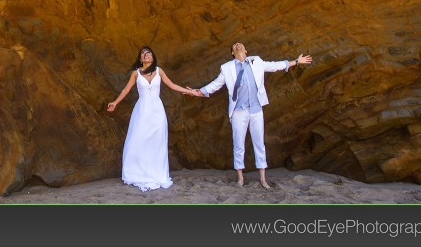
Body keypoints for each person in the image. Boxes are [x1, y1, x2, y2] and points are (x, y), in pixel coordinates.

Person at [189, 42, 312, 188]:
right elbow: (215, 85)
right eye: (234, 46)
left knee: (259, 143)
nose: (237, 45)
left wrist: (297, 61)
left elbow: (274, 66)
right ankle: (240, 178)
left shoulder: (256, 61)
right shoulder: (227, 68)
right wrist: (198, 91)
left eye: (240, 44)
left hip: (256, 109)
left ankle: (262, 178)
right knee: (238, 144)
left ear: (246, 50)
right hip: (238, 111)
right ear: (233, 53)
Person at [107, 46, 197, 191]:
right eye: (143, 53)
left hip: (157, 110)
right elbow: (126, 90)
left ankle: (155, 173)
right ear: (140, 58)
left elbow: (172, 85)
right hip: (142, 110)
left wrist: (189, 91)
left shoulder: (159, 71)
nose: (146, 55)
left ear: (153, 57)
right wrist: (115, 102)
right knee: (138, 140)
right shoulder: (136, 74)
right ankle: (136, 172)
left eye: (148, 53)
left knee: (157, 141)